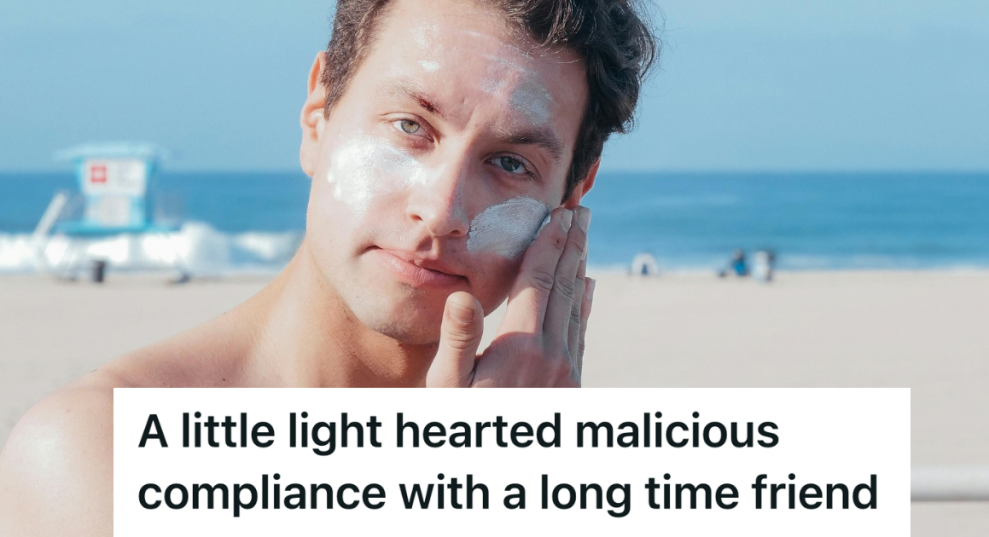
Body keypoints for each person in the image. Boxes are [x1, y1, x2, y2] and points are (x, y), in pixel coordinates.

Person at [0, 0, 657, 534]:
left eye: (511, 164)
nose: (442, 210)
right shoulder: (99, 454)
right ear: (319, 115)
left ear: (571, 195)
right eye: (410, 126)